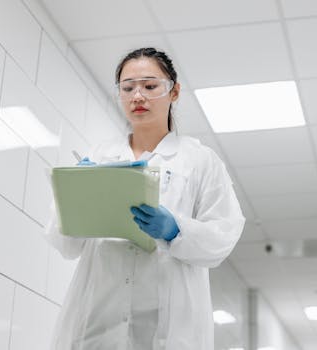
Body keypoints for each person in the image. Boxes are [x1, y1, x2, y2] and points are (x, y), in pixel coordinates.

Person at [45, 47, 245, 349]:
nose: (138, 96)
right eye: (128, 88)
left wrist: (175, 229)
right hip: (96, 324)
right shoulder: (99, 156)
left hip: (169, 329)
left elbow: (223, 237)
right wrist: (75, 198)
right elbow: (65, 245)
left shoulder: (200, 160)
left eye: (150, 86)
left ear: (174, 92)